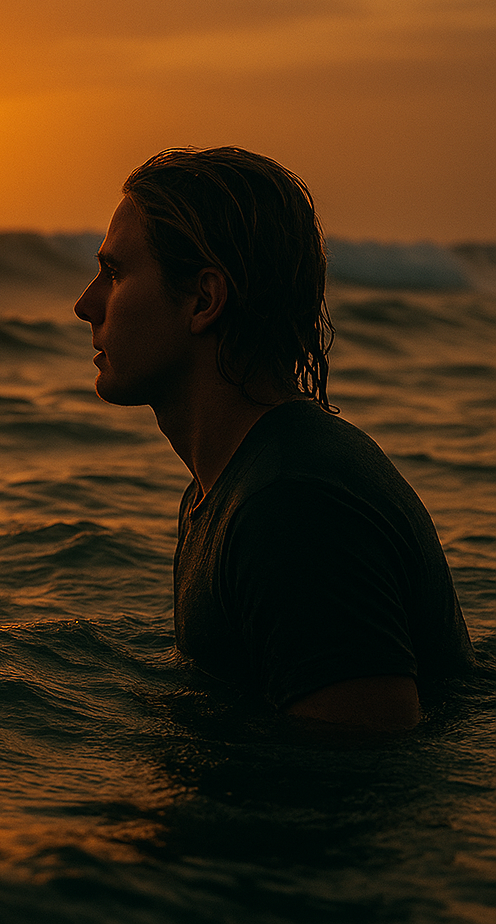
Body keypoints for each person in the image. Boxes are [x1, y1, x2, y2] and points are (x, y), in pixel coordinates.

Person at [74, 147, 473, 732]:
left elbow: (362, 776)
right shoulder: (231, 486)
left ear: (204, 301)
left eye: (114, 273)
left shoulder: (292, 506)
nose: (85, 304)